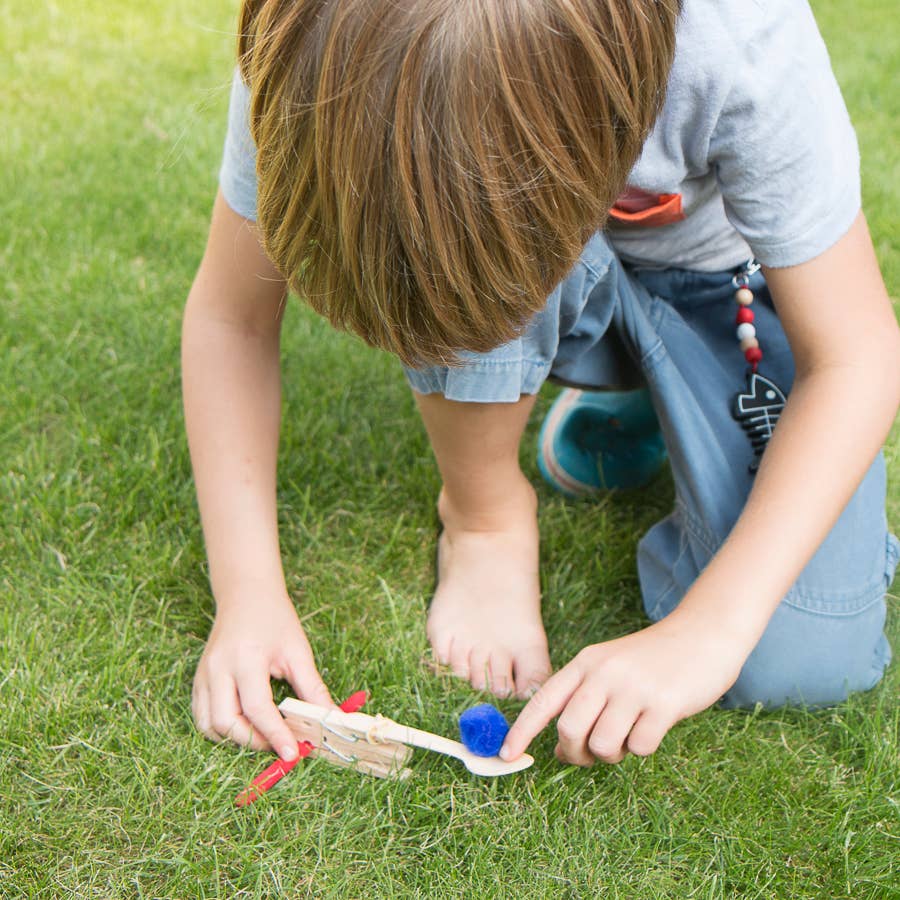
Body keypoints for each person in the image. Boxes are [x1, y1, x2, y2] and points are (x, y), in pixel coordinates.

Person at [182, 0, 899, 768]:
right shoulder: (322, 50)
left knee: (800, 653)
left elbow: (857, 355)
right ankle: (484, 517)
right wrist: (247, 594)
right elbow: (233, 320)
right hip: (544, 279)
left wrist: (709, 631)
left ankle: (661, 396)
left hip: (727, 296)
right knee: (458, 241)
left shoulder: (738, 35)